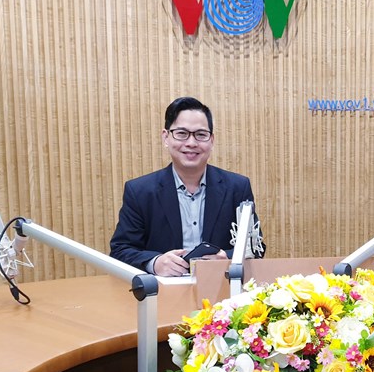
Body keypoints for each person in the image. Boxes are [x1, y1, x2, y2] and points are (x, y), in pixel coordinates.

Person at [110, 96, 262, 276]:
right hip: (162, 289)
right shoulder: (139, 191)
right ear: (166, 137)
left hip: (220, 286)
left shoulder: (237, 187)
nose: (191, 143)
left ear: (211, 140)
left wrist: (226, 258)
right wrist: (154, 262)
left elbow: (255, 248)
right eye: (181, 133)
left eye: (201, 134)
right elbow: (120, 251)